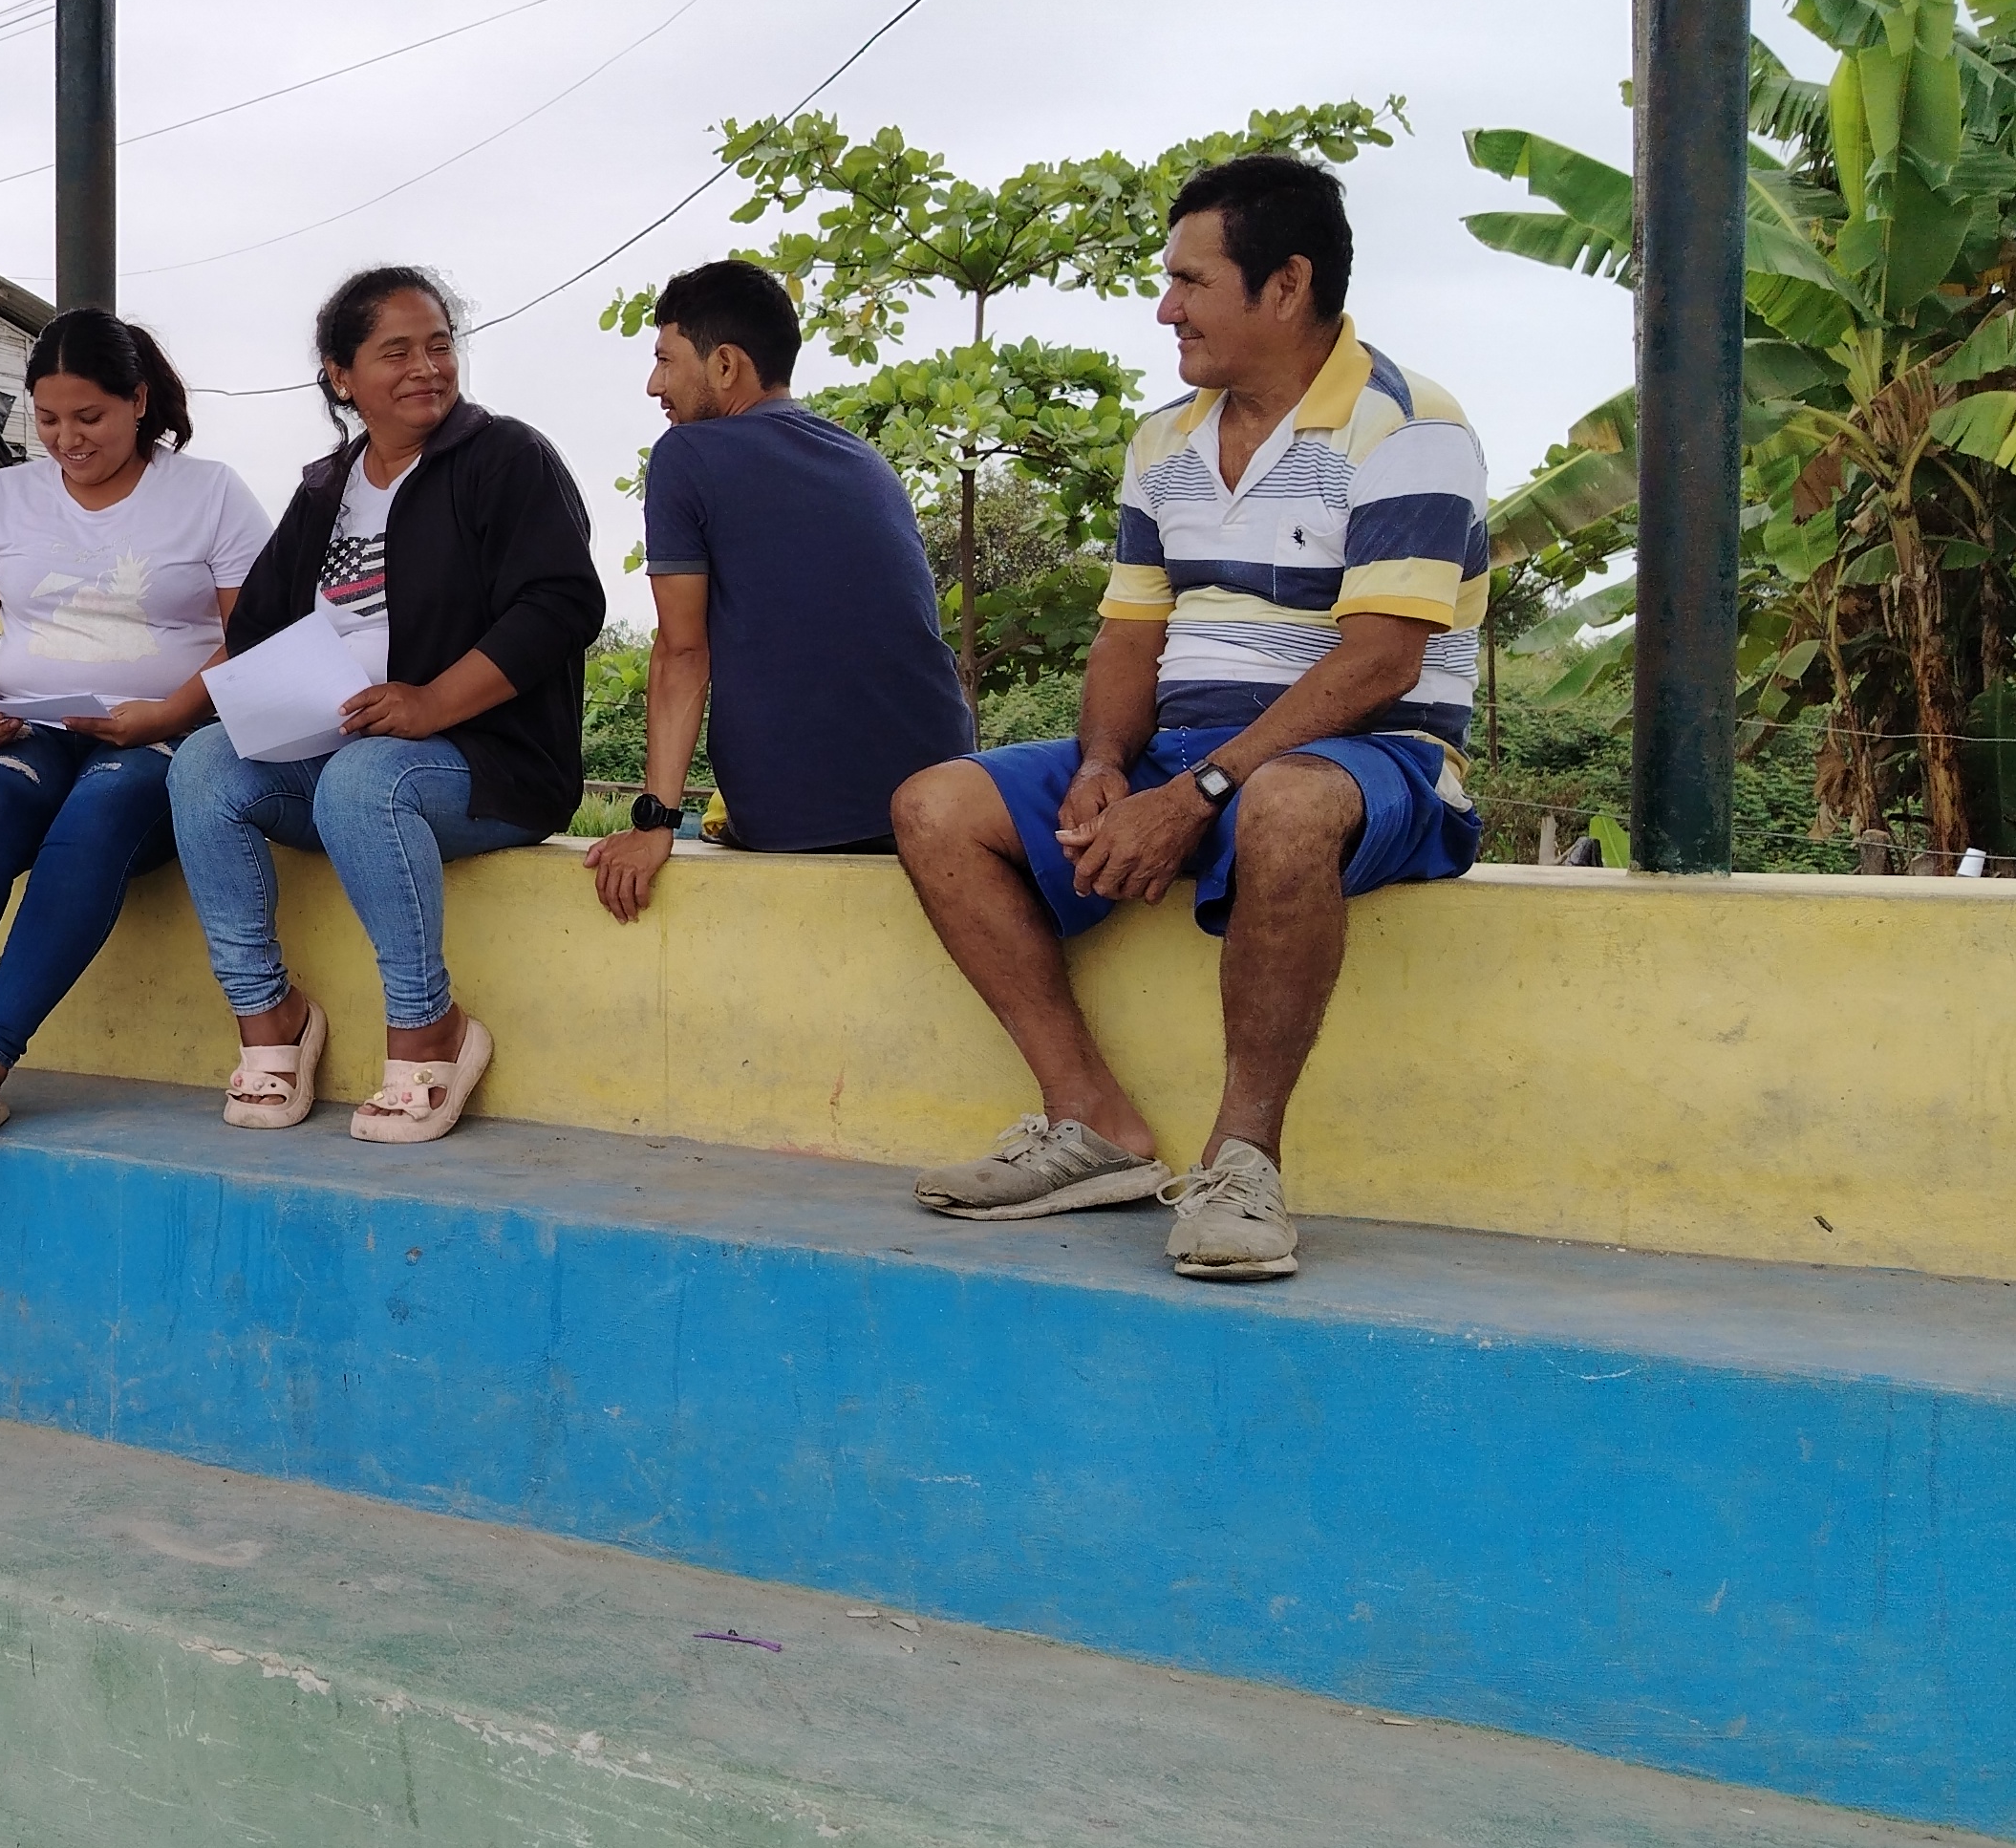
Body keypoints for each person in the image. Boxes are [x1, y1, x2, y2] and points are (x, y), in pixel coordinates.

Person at [890, 154, 1488, 1282]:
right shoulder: (1163, 441)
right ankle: (1091, 1123)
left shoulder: (1409, 427)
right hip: (1182, 754)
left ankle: (1241, 1165)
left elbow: (1379, 662)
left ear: (1285, 285)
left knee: (1285, 804)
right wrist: (1102, 767)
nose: (1166, 309)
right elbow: (1129, 637)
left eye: (1189, 281)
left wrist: (1197, 792)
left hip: (1375, 758)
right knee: (934, 806)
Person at [169, 266, 604, 1141]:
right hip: (339, 758)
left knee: (366, 779)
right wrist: (272, 705)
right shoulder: (326, 488)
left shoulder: (505, 459)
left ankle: (429, 1028)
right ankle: (270, 1017)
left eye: (439, 346)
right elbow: (258, 626)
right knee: (203, 767)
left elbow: (561, 605)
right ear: (342, 376)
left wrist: (432, 702)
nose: (427, 368)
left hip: (488, 765)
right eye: (396, 352)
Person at [0, 311, 271, 1146]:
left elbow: (249, 635)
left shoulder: (210, 493)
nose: (68, 439)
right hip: (24, 727)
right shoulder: (6, 497)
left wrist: (171, 712)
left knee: (95, 819)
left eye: (89, 417)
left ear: (138, 401)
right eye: (48, 419)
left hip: (162, 733)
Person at [583, 256, 970, 923]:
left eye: (666, 361)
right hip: (943, 802)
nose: (654, 385)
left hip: (796, 820)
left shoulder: (685, 454)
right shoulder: (865, 459)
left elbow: (683, 653)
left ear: (724, 365)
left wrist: (655, 822)